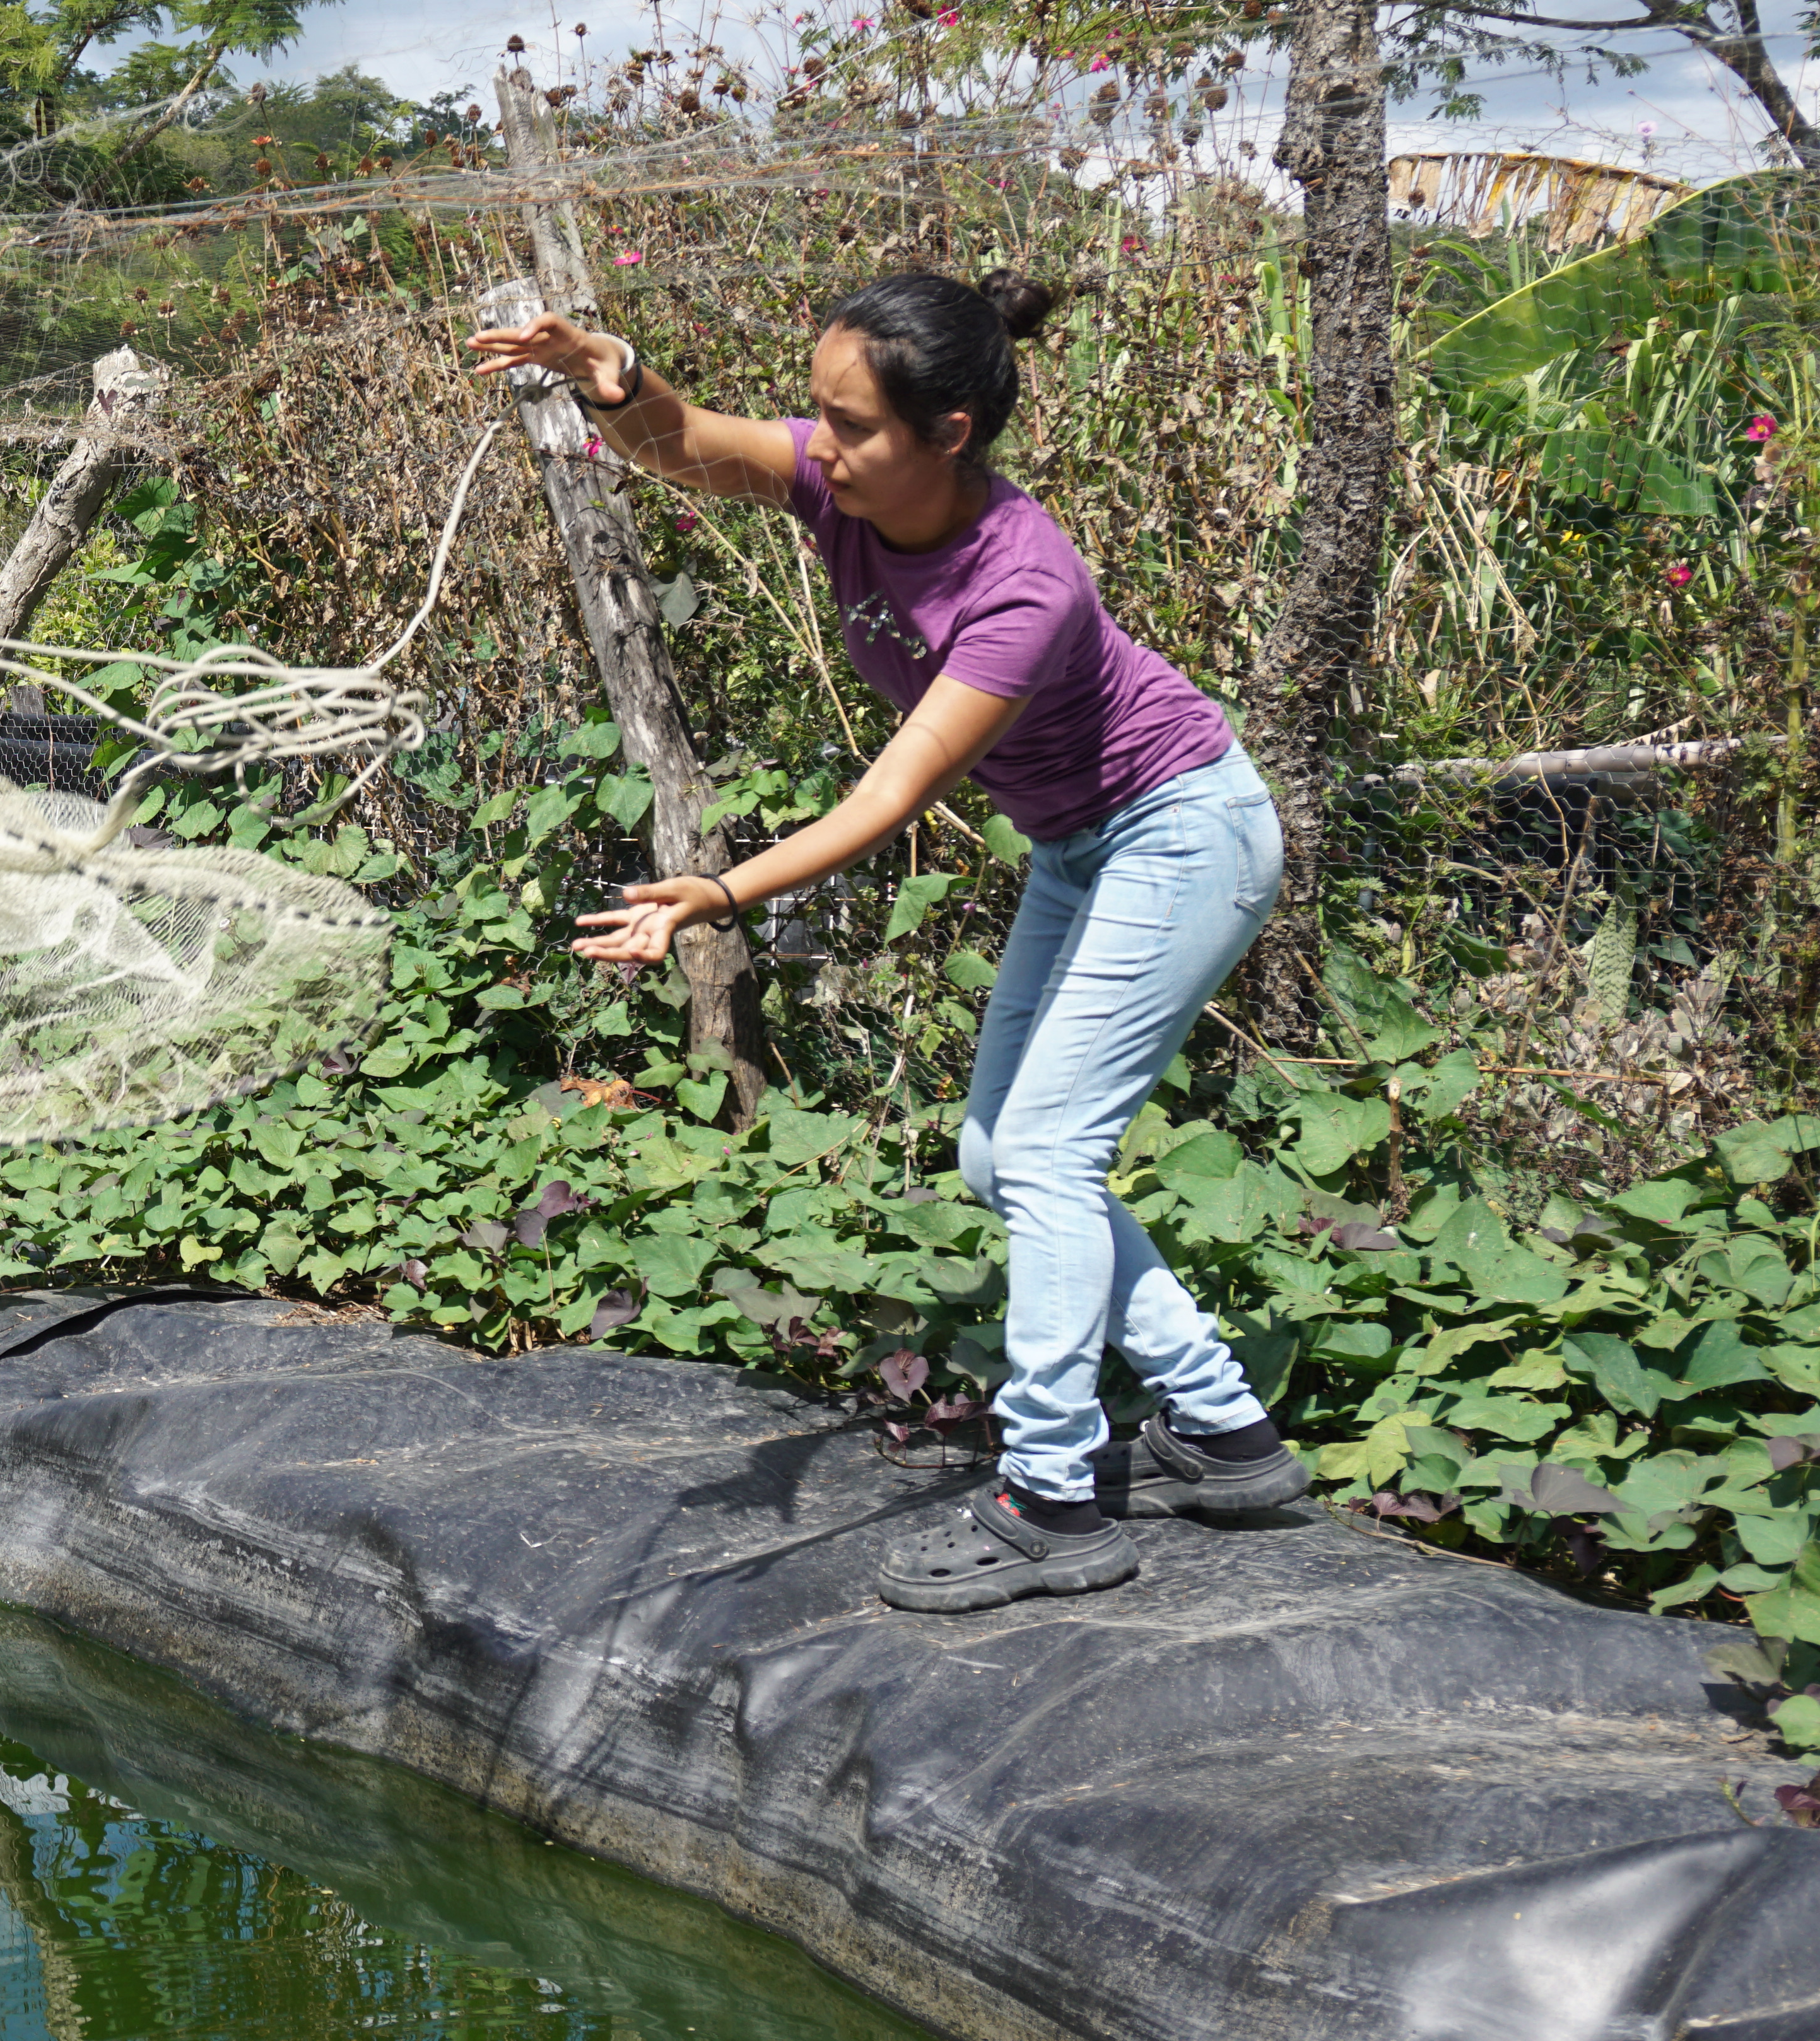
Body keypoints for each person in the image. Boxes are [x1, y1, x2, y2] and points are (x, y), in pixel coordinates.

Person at [463, 269, 1297, 1613]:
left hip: (1180, 836)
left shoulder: (1025, 584)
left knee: (1045, 1153)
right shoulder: (842, 483)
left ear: (950, 433)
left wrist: (717, 890)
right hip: (1084, 842)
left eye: (850, 424)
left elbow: (891, 795)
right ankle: (1224, 1432)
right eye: (819, 413)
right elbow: (695, 444)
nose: (821, 444)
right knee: (999, 1155)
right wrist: (608, 372)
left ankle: (1054, 1495)